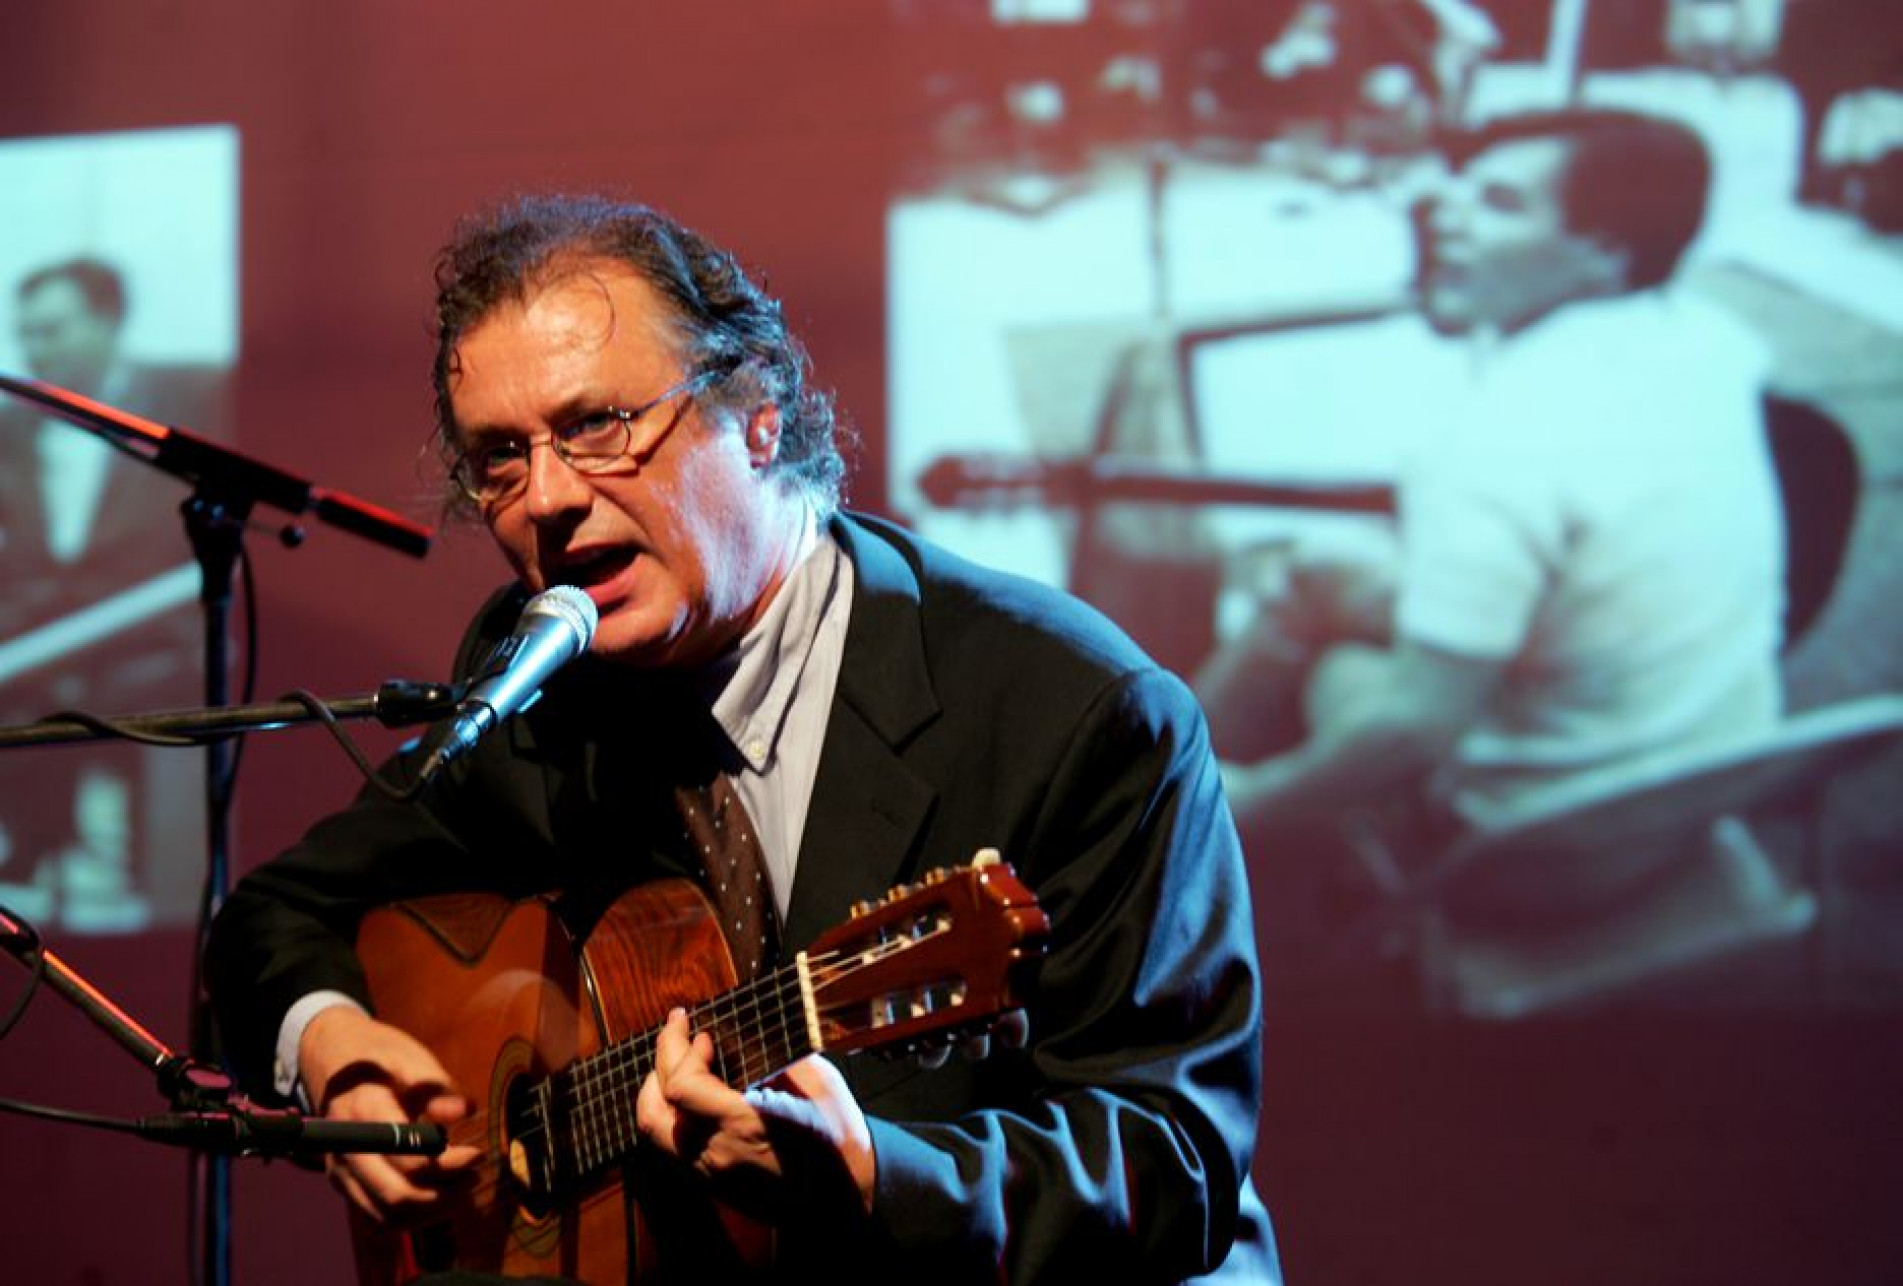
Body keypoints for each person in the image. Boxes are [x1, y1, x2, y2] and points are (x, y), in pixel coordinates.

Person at [206, 196, 1280, 1283]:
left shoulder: (1073, 708)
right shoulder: (538, 689)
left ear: (758, 413)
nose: (546, 500)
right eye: (499, 457)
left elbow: (1176, 1162)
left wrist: (872, 1174)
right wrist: (331, 1048)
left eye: (597, 425)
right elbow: (269, 920)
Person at [1206, 109, 1785, 921]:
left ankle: (1177, 809)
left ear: (1605, 254)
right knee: (1321, 573)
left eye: (1500, 204)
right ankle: (1167, 770)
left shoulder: (1495, 441)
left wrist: (1256, 801)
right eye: (1458, 189)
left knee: (1334, 658)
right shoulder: (1711, 343)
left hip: (1537, 853)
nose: (1442, 215)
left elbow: (1416, 726)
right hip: (1701, 788)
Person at [0, 257, 228, 929]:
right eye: (26, 332)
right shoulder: (10, 431)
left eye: (53, 329)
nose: (36, 348)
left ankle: (133, 889)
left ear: (109, 320)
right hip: (38, 649)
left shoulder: (193, 406)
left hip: (151, 644)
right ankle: (32, 868)